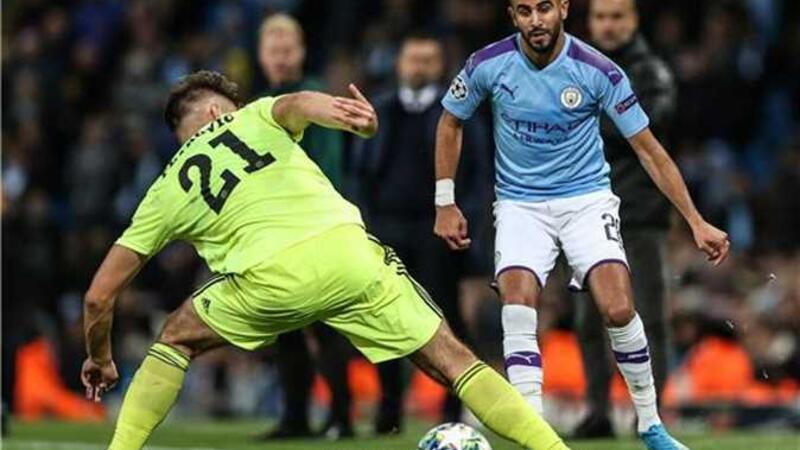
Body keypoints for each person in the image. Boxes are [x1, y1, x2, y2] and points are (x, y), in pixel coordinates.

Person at [79, 70, 570, 450]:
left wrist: (100, 358)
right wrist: (349, 117)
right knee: (454, 360)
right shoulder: (256, 116)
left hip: (266, 284)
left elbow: (99, 297)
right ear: (215, 111)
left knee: (176, 336)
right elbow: (297, 104)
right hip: (347, 258)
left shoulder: (164, 190)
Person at [434, 1, 729, 449]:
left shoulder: (598, 71)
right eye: (524, 11)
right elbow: (450, 123)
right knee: (517, 301)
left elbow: (649, 149)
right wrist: (445, 202)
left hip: (586, 200)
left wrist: (695, 220)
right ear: (513, 16)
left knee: (618, 308)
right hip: (520, 204)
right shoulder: (487, 64)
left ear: (564, 9)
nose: (536, 20)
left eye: (544, 8)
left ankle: (651, 425)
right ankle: (534, 430)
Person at [352, 31, 492, 432]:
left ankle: (453, 408)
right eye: (413, 59)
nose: (419, 67)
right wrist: (364, 223)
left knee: (446, 319)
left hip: (438, 234)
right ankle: (389, 411)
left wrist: (466, 220)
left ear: (440, 66)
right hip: (387, 230)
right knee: (385, 321)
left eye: (428, 59)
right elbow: (359, 173)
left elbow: (479, 173)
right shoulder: (379, 109)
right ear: (399, 64)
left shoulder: (459, 113)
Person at [572, 0, 678, 438]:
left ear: (634, 21)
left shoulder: (651, 73)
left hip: (639, 214)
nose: (609, 25)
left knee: (648, 316)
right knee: (587, 319)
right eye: (601, 17)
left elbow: (638, 129)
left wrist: (576, 118)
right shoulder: (574, 68)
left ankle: (649, 415)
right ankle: (597, 411)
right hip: (585, 213)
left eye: (617, 17)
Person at [255, 13, 352, 439]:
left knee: (326, 325)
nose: (280, 57)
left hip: (315, 224)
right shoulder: (256, 104)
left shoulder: (315, 100)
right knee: (287, 327)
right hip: (275, 230)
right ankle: (295, 416)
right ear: (261, 55)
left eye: (287, 49)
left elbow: (329, 165)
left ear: (301, 52)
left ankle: (342, 417)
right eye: (273, 50)